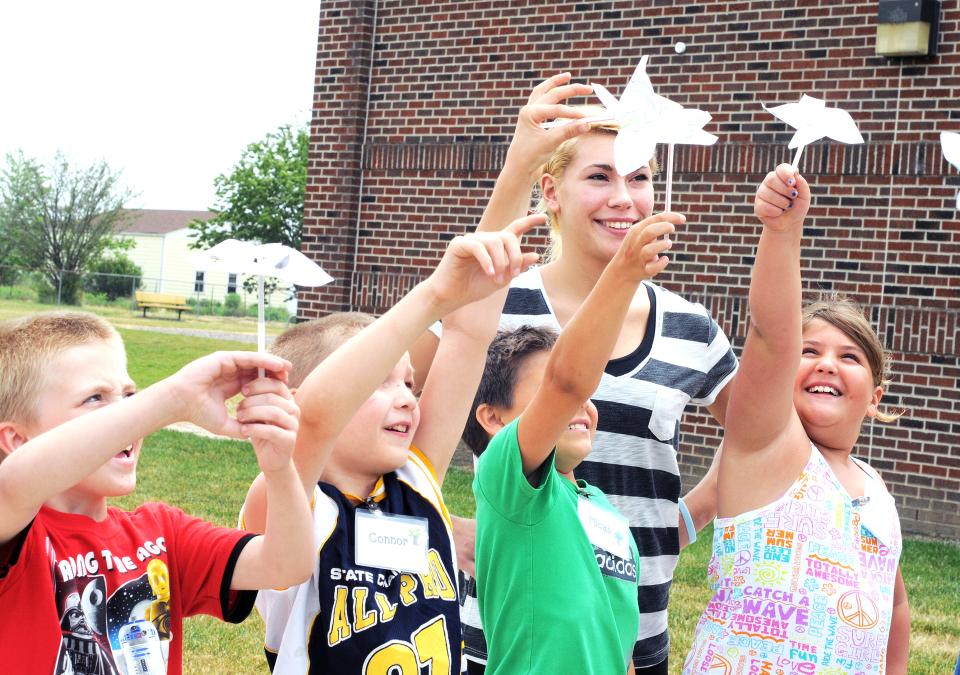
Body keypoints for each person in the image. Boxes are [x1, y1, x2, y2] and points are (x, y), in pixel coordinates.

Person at [410, 74, 738, 674]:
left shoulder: (692, 327)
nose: (623, 197)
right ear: (551, 191)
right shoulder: (495, 303)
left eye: (638, 177)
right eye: (598, 177)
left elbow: (759, 434)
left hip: (632, 638)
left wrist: (686, 516)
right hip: (508, 635)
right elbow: (386, 408)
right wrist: (436, 518)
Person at [241, 215, 542, 673]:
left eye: (408, 383)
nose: (406, 398)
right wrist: (433, 296)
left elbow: (467, 333)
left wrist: (521, 164)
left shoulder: (415, 479)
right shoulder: (285, 497)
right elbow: (319, 417)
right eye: (379, 383)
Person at [683, 165, 910, 674]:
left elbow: (893, 606)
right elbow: (769, 334)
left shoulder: (876, 489)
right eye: (809, 352)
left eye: (849, 357)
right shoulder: (767, 447)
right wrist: (782, 234)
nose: (827, 363)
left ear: (874, 397)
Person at [0, 311, 313, 675]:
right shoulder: (18, 535)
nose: (129, 414)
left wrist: (279, 469)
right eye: (94, 398)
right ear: (17, 440)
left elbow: (286, 564)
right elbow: (16, 482)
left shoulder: (160, 533)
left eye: (130, 395)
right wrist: (173, 399)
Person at [466, 199, 682, 673]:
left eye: (589, 394)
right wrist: (623, 273)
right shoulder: (511, 484)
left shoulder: (602, 508)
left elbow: (613, 627)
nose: (579, 402)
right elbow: (568, 381)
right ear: (493, 419)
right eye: (552, 395)